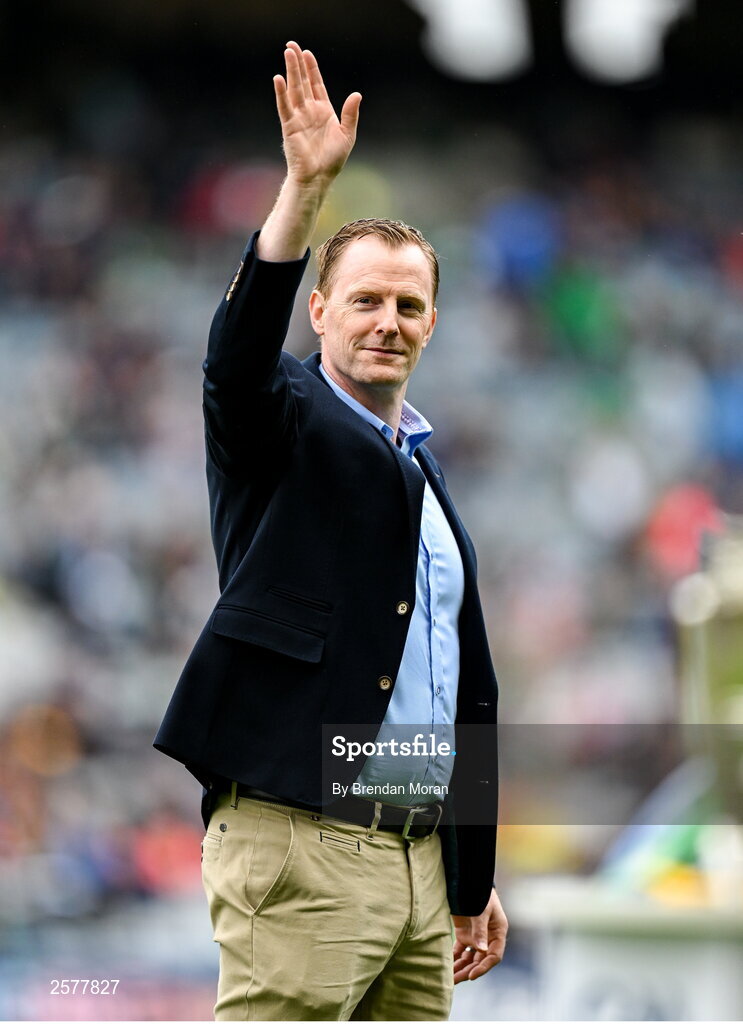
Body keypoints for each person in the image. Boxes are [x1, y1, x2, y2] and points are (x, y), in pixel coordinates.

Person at [154, 40, 507, 1021]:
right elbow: (232, 361)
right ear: (317, 311)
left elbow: (449, 688)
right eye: (363, 300)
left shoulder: (424, 479)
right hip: (302, 837)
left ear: (431, 323)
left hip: (414, 864)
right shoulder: (282, 421)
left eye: (407, 304)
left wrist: (466, 871)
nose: (385, 320)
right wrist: (303, 191)